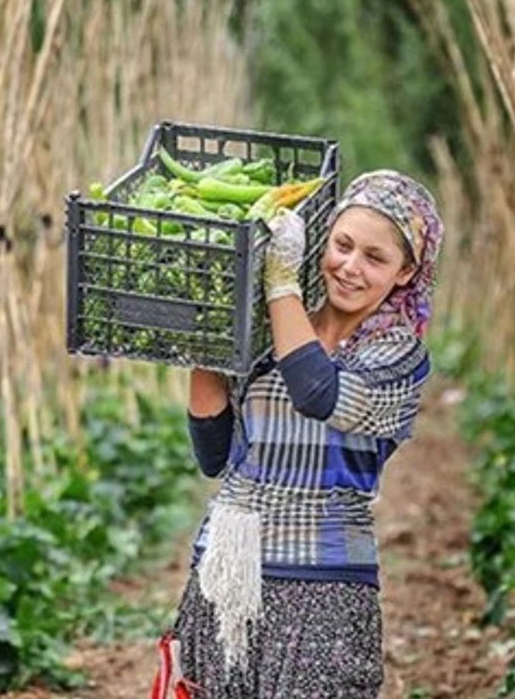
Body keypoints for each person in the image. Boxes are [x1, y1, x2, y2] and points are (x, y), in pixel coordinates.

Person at [174, 170, 443, 698]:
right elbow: (214, 455)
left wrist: (280, 283)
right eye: (342, 245)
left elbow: (317, 392)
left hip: (323, 585)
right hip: (228, 570)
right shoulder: (269, 327)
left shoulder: (397, 358)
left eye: (375, 257)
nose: (350, 267)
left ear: (406, 272)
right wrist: (206, 331)